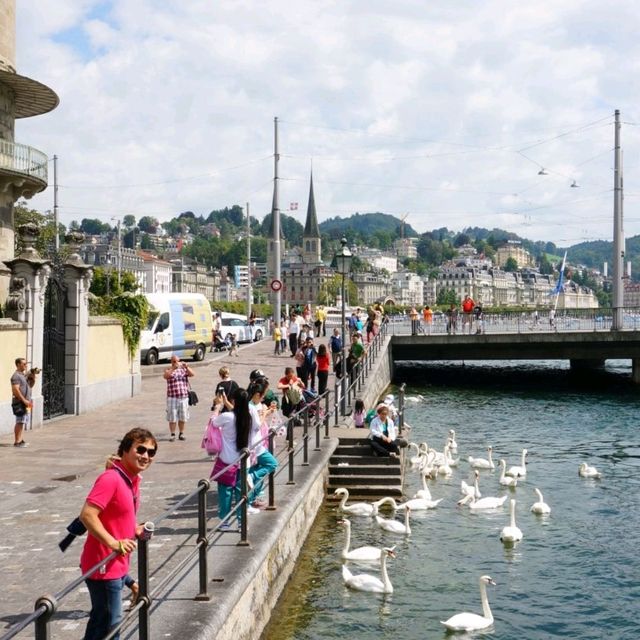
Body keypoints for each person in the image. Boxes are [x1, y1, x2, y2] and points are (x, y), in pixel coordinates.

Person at [79, 427, 158, 640]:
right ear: (125, 450)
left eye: (151, 452)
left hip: (116, 563)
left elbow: (117, 515)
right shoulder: (111, 479)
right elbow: (87, 515)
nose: (146, 456)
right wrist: (113, 543)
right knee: (108, 623)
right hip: (103, 564)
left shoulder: (131, 480)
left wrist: (135, 528)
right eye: (140, 449)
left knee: (104, 620)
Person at [210, 388, 254, 529]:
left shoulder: (227, 417)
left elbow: (213, 423)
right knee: (241, 493)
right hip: (243, 461)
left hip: (227, 461)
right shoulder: (248, 418)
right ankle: (242, 523)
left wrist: (218, 408)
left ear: (233, 401)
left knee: (225, 492)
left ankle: (225, 521)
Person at [247, 378, 279, 508]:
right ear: (257, 395)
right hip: (255, 444)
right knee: (272, 463)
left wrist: (267, 411)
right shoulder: (251, 407)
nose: (263, 399)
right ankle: (251, 477)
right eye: (262, 396)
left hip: (258, 442)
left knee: (261, 467)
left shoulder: (252, 405)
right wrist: (265, 413)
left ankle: (252, 498)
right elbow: (257, 425)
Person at [163, 355, 194, 441]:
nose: (176, 363)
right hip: (172, 397)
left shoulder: (183, 369)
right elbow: (165, 376)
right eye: (174, 361)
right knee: (172, 417)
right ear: (172, 362)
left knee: (183, 416)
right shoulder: (168, 369)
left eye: (178, 361)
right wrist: (173, 369)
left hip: (183, 397)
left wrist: (187, 367)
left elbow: (192, 374)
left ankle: (181, 433)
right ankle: (172, 434)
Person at [10, 357, 32, 447]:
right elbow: (15, 390)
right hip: (20, 402)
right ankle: (17, 442)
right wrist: (24, 401)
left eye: (26, 364)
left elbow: (30, 387)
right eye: (24, 364)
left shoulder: (23, 375)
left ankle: (20, 439)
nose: (26, 365)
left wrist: (33, 379)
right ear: (18, 364)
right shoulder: (16, 376)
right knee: (19, 421)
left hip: (26, 402)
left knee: (23, 421)